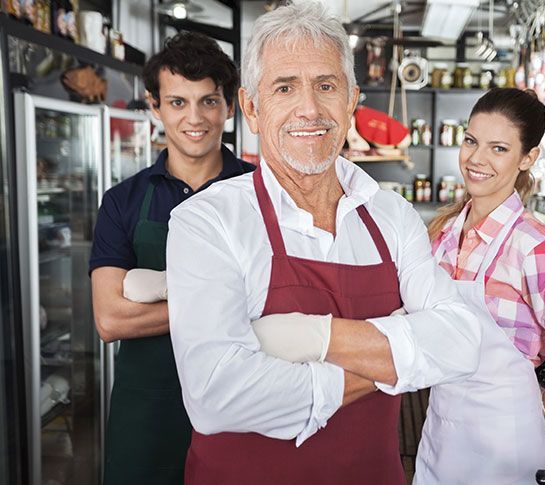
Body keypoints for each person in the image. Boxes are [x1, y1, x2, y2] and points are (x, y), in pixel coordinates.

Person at [165, 2, 481, 484]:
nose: (309, 109)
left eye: (326, 86)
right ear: (251, 107)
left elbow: (460, 343)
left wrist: (311, 338)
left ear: (352, 100)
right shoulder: (207, 221)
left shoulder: (391, 215)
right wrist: (394, 353)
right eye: (285, 87)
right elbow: (216, 397)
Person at [417, 88, 545, 483]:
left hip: (505, 451)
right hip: (441, 436)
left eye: (498, 148)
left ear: (527, 158)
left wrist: (544, 407)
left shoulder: (530, 242)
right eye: (471, 141)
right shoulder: (443, 233)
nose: (476, 159)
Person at [89, 32, 256, 485]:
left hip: (239, 403)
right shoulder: (122, 201)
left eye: (208, 101)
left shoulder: (261, 194)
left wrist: (156, 297)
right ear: (155, 106)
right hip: (147, 410)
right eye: (178, 103)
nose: (194, 118)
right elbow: (110, 319)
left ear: (230, 105)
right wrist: (225, 301)